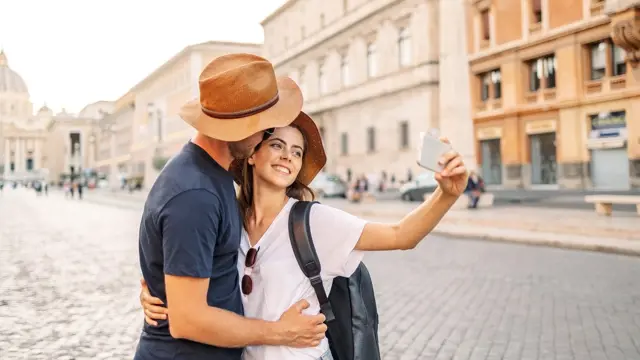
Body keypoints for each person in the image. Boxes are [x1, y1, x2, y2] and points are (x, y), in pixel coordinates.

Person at [141, 111, 469, 359]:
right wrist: (154, 292)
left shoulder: (315, 222)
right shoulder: (229, 217)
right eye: (278, 145)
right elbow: (189, 264)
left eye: (297, 152)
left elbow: (401, 236)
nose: (288, 156)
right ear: (253, 152)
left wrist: (447, 196)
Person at [134, 54, 328, 360]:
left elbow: (180, 261)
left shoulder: (211, 176)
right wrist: (281, 332)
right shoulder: (196, 195)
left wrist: (153, 286)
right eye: (265, 130)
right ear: (237, 128)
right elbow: (188, 321)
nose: (265, 138)